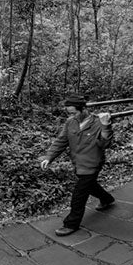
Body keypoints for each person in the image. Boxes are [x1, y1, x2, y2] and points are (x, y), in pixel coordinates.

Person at [40, 93, 116, 236]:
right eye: (70, 113)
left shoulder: (98, 122)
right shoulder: (71, 122)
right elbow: (61, 140)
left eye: (74, 112)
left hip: (93, 163)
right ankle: (107, 199)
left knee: (79, 195)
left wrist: (106, 127)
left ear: (83, 109)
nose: (73, 115)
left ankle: (71, 224)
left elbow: (105, 144)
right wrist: (49, 157)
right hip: (78, 164)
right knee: (90, 186)